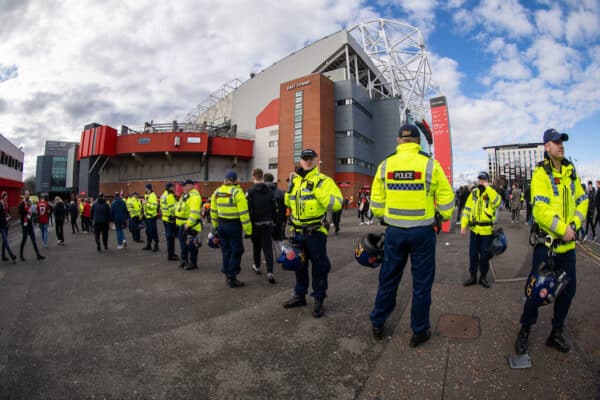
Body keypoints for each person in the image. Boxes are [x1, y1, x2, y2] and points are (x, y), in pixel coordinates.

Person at [369, 124, 454, 345]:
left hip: (394, 232)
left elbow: (376, 203)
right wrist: (441, 218)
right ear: (418, 141)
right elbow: (447, 199)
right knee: (422, 283)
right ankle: (419, 330)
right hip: (422, 233)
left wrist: (385, 216)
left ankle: (378, 322)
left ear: (399, 141)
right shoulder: (430, 165)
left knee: (388, 279)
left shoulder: (385, 165)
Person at [515, 129, 588, 355]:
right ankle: (525, 328)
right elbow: (540, 209)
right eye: (556, 142)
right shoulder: (540, 174)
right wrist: (561, 228)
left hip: (567, 248)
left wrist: (573, 226)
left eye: (562, 142)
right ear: (546, 146)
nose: (561, 145)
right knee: (536, 291)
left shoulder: (570, 172)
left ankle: (555, 332)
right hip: (546, 246)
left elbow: (582, 201)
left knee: (568, 291)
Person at [283, 148, 343, 318]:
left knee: (319, 268)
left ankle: (318, 298)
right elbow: (289, 202)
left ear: (316, 160)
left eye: (311, 158)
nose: (308, 161)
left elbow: (337, 203)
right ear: (300, 161)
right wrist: (289, 187)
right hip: (297, 231)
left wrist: (315, 189)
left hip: (315, 232)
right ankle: (299, 295)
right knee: (298, 266)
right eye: (305, 158)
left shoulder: (324, 181)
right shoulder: (295, 181)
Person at [210, 170, 252, 287]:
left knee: (226, 250)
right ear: (235, 180)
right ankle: (232, 277)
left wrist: (215, 226)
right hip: (233, 225)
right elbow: (244, 213)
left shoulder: (217, 192)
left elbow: (213, 211)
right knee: (237, 250)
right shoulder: (237, 192)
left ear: (225, 179)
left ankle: (227, 274)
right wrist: (248, 230)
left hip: (221, 225)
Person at [460, 171, 501, 288]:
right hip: (474, 230)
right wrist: (463, 225)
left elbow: (498, 202)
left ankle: (483, 277)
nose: (481, 181)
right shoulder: (474, 193)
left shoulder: (491, 192)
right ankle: (472, 276)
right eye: (480, 179)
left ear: (487, 180)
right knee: (473, 254)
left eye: (483, 179)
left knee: (484, 255)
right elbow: (467, 209)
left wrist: (488, 188)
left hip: (486, 230)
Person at [247, 168, 276, 284]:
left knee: (256, 246)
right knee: (268, 248)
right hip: (268, 222)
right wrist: (274, 220)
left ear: (253, 176)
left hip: (255, 223)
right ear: (262, 176)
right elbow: (273, 207)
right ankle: (270, 272)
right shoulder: (269, 190)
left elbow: (249, 209)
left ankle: (257, 266)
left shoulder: (250, 191)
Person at [180, 180, 202, 270]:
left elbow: (194, 213)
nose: (183, 187)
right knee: (184, 244)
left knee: (192, 245)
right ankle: (184, 260)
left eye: (185, 185)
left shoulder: (195, 196)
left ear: (191, 186)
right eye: (182, 186)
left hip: (191, 226)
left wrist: (188, 224)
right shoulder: (185, 195)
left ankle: (193, 263)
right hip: (183, 224)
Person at [19, 191, 45, 261]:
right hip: (25, 224)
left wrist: (33, 211)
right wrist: (28, 211)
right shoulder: (22, 203)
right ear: (24, 195)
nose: (28, 195)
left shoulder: (30, 202)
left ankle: (38, 255)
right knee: (24, 240)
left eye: (28, 194)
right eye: (27, 194)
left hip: (30, 224)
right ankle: (21, 255)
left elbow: (32, 212)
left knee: (34, 240)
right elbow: (21, 213)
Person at [264, 172, 286, 248]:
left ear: (264, 180)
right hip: (279, 219)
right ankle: (282, 256)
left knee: (267, 240)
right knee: (279, 238)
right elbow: (284, 206)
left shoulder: (262, 192)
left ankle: (269, 258)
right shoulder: (280, 192)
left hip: (266, 220)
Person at [160, 183, 179, 261]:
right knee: (171, 238)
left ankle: (171, 254)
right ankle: (171, 255)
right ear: (170, 188)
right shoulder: (170, 196)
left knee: (169, 237)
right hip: (170, 219)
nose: (174, 189)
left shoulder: (163, 195)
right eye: (173, 187)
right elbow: (172, 209)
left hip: (165, 218)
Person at [0, 191, 17, 262]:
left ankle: (3, 256)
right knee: (6, 241)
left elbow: (7, 212)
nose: (7, 197)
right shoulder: (0, 204)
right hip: (1, 225)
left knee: (4, 241)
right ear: (3, 196)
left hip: (6, 224)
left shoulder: (6, 203)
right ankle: (12, 255)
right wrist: (5, 218)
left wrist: (9, 216)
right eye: (6, 196)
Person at [142, 183, 159, 251]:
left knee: (153, 231)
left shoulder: (153, 195)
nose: (144, 189)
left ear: (148, 188)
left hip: (152, 217)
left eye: (145, 187)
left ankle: (156, 245)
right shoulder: (146, 195)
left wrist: (146, 203)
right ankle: (149, 245)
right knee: (148, 231)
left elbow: (155, 206)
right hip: (147, 216)